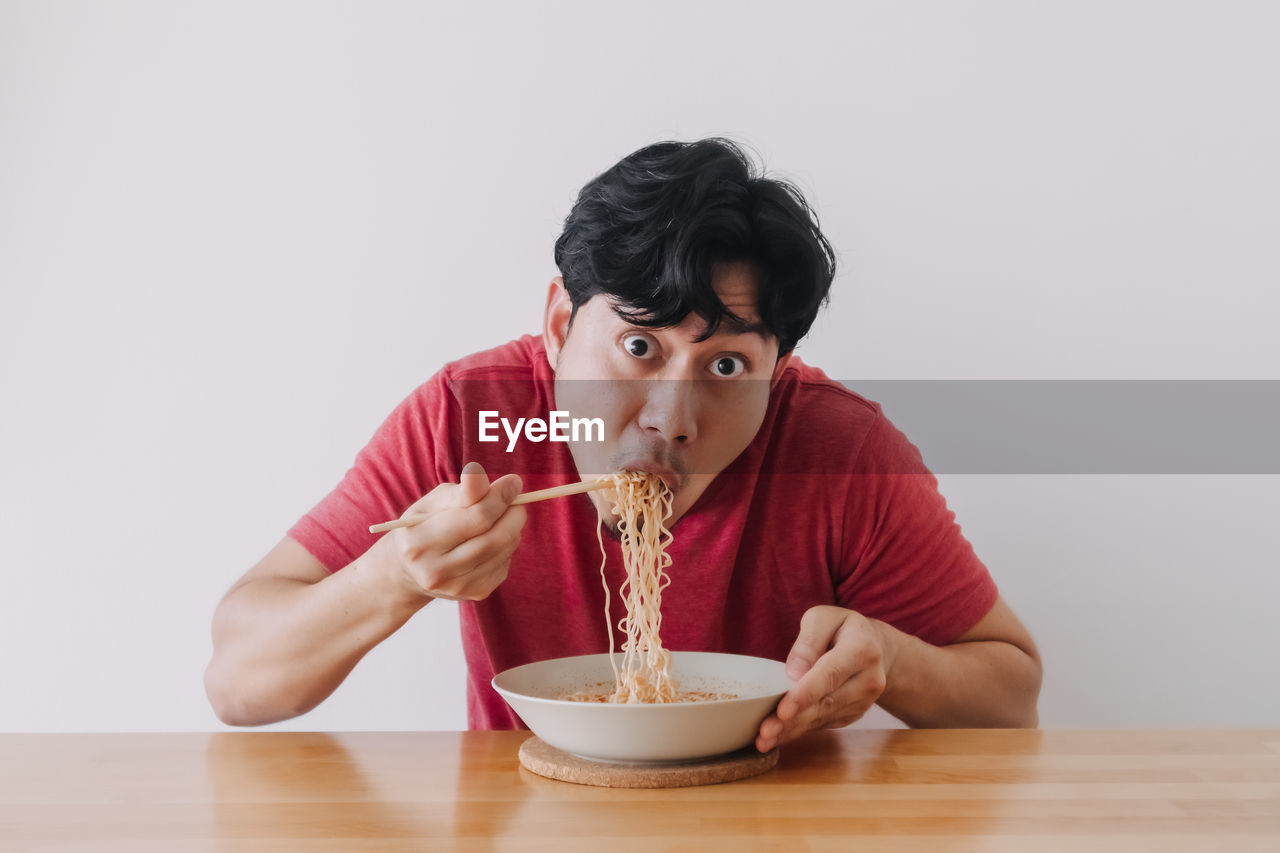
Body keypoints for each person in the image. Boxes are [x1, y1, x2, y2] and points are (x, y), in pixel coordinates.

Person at [204, 138, 1042, 748]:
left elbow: (1012, 695)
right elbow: (237, 682)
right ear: (560, 326)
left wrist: (891, 660)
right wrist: (394, 576)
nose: (672, 416)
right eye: (640, 347)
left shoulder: (837, 449)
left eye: (725, 363)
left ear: (778, 367)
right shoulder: (478, 418)